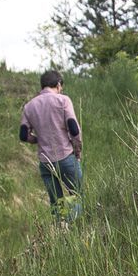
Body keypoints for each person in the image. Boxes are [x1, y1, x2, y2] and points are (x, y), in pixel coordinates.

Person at [20, 69, 83, 223]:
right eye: (61, 86)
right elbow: (74, 129)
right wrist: (78, 151)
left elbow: (23, 135)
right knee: (77, 195)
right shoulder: (63, 100)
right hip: (65, 156)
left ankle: (59, 231)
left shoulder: (29, 106)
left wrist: (37, 139)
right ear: (58, 84)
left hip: (45, 162)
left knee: (56, 202)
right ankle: (69, 224)